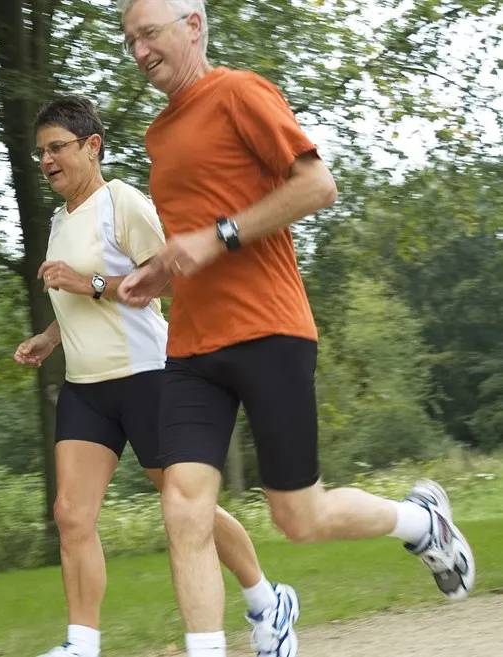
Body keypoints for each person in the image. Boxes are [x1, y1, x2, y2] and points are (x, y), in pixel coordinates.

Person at [114, 1, 476, 656]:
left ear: (192, 25)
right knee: (182, 506)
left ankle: (422, 522)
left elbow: (317, 186)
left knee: (299, 517)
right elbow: (192, 242)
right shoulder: (158, 135)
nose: (139, 51)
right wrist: (159, 273)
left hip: (268, 330)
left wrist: (219, 236)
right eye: (129, 40)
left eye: (149, 34)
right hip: (192, 348)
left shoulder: (240, 93)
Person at [15, 95, 298, 657]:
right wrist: (50, 337)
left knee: (187, 507)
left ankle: (267, 600)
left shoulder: (121, 202)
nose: (46, 160)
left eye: (57, 148)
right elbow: (76, 293)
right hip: (86, 388)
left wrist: (90, 285)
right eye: (40, 151)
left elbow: (169, 282)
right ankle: (81, 643)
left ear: (92, 146)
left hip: (147, 377)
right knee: (70, 514)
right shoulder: (56, 219)